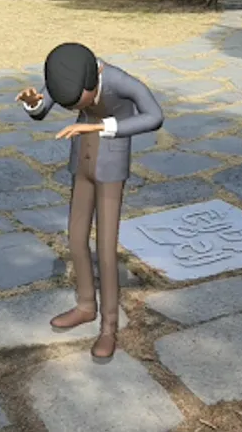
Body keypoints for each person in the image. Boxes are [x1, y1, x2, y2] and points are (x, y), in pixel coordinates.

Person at [16, 42, 163, 363]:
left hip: (110, 168)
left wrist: (102, 126)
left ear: (93, 81)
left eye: (77, 104)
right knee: (76, 237)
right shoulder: (66, 74)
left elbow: (155, 116)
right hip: (81, 163)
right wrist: (32, 104)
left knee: (106, 250)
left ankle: (109, 326)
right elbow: (43, 107)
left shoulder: (119, 81)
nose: (73, 109)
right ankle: (85, 306)